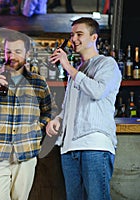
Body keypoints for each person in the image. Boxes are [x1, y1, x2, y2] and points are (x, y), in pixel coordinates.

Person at [0, 31, 52, 200]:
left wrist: (37, 129)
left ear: (27, 54)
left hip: (26, 154)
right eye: (8, 51)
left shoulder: (38, 82)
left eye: (17, 52)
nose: (12, 56)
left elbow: (48, 111)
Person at [46, 17, 121, 199]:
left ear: (94, 38)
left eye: (80, 34)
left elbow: (98, 91)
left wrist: (67, 66)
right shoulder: (77, 71)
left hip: (94, 146)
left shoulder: (106, 64)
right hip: (69, 148)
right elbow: (69, 108)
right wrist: (57, 120)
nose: (74, 39)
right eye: (72, 35)